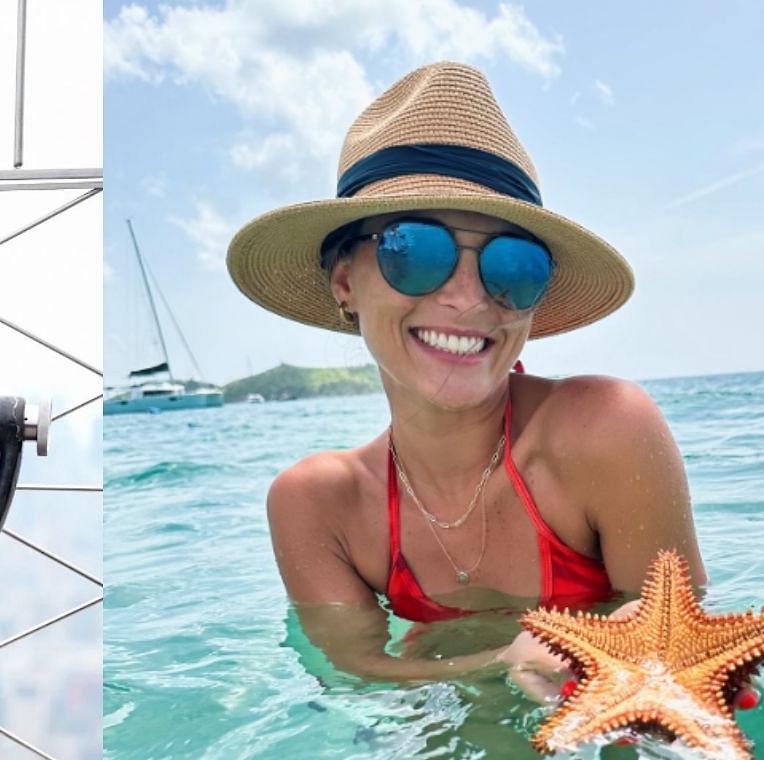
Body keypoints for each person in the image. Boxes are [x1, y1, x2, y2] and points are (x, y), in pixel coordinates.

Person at [227, 61, 727, 692]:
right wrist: (501, 664)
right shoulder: (318, 505)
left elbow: (678, 646)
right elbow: (352, 672)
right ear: (346, 281)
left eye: (512, 265)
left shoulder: (607, 430)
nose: (469, 298)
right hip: (433, 743)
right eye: (414, 250)